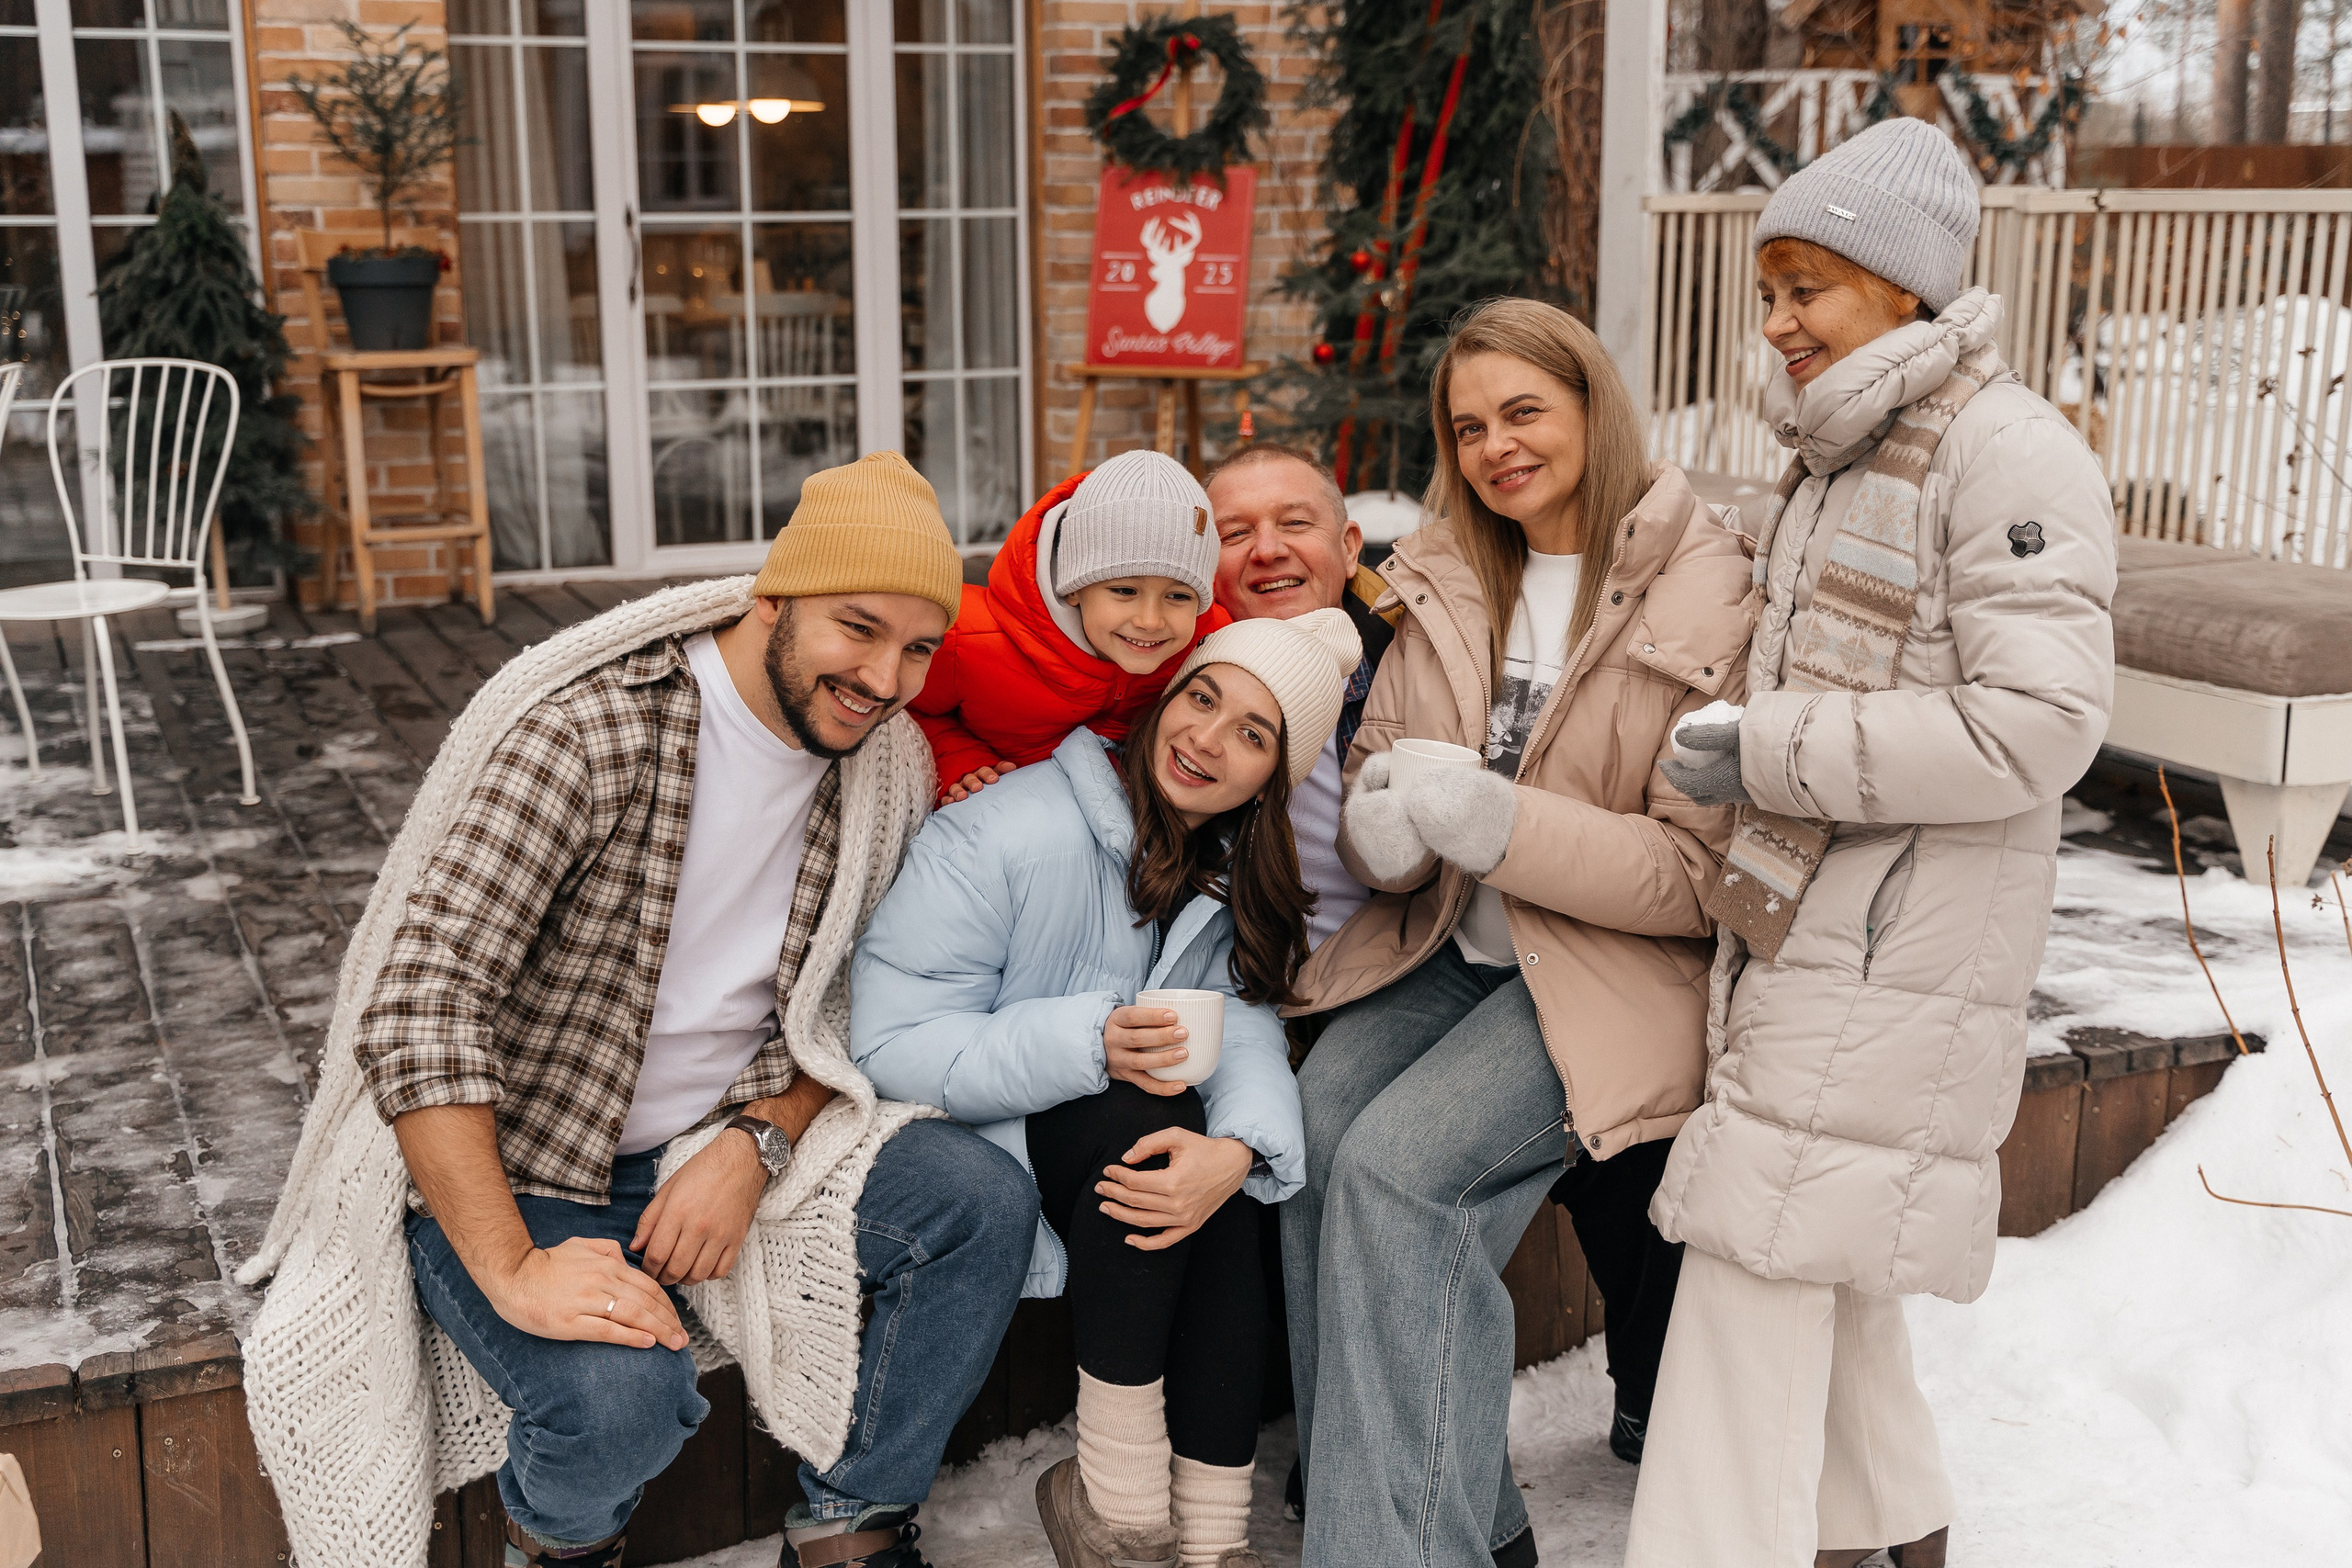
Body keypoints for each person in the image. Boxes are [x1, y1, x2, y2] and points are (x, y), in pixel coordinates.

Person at [241, 454, 1039, 1568]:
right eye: (856, 628)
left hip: (716, 1135)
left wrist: (757, 1142)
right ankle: (563, 1550)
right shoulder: (592, 733)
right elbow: (422, 1006)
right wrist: (513, 1268)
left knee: (982, 1200)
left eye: (917, 648)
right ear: (773, 600)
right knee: (619, 1403)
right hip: (525, 1156)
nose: (883, 677)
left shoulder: (884, 766)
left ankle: (852, 1529)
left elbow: (855, 1006)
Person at [1632, 119, 2117, 1568]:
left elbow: (2040, 723)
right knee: (1812, 1224)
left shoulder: (2006, 450)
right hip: (1818, 911)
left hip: (1903, 927)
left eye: (1809, 289)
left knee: (1752, 1249)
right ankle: (1886, 1521)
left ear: (1905, 286)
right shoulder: (1841, 448)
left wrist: (1770, 746)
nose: (1777, 322)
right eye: (1768, 291)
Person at [1281, 299, 1758, 1568]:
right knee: (1313, 1140)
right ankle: (1460, 1522)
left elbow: (1695, 877)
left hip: (1610, 973)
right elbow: (1386, 760)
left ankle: (1390, 1552)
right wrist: (1385, 830)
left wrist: (1500, 823)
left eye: (1524, 412)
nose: (1496, 446)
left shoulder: (1708, 587)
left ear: (1594, 405)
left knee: (1402, 1176)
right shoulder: (1446, 568)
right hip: (1449, 948)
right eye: (1468, 425)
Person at [853, 610, 1364, 1568]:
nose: (1207, 739)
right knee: (1151, 1123)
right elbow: (887, 1043)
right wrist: (1088, 1040)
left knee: (1207, 1175)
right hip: (959, 1135)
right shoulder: (1004, 829)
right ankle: (1120, 1515)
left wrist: (1239, 1149)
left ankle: (1211, 1545)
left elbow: (1241, 1018)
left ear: (1274, 779)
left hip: (1094, 1137)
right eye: (1202, 697)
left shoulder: (1221, 862)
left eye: (1252, 734)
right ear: (1166, 698)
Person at [911, 448, 1233, 802]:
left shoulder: (1213, 643)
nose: (1150, 621)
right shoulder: (967, 639)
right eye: (1125, 591)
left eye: (1178, 596)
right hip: (1009, 803)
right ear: (1074, 587)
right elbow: (906, 706)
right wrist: (959, 758)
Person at [1207, 443, 1398, 953]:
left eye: (1294, 523)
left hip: (1387, 972)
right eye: (1235, 534)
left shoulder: (1419, 678)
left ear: (1350, 548)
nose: (1267, 550)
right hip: (1224, 977)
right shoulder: (1163, 691)